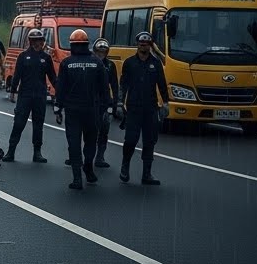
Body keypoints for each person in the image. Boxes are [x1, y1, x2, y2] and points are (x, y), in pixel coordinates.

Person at [53, 30, 110, 190]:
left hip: (73, 110)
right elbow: (105, 87)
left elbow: (61, 87)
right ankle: (88, 166)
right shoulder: (97, 63)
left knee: (74, 143)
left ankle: (77, 178)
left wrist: (58, 108)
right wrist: (108, 106)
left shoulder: (66, 63)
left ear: (72, 45)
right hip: (92, 110)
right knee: (91, 142)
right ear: (87, 45)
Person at [118, 30, 170, 185]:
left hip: (151, 108)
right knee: (131, 140)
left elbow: (161, 84)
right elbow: (123, 84)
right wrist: (120, 103)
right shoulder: (129, 63)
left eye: (146, 43)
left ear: (150, 45)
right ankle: (125, 166)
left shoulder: (156, 63)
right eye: (141, 43)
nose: (144, 46)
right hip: (133, 108)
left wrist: (166, 103)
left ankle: (146, 174)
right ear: (137, 44)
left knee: (150, 142)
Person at [3, 28, 58, 163]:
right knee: (19, 123)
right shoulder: (23, 56)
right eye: (34, 41)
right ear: (30, 42)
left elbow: (52, 77)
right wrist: (12, 91)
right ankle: (11, 151)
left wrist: (61, 91)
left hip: (40, 96)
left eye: (39, 41)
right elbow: (17, 75)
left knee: (38, 125)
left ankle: (37, 153)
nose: (37, 43)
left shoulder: (46, 58)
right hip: (25, 95)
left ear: (43, 42)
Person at [93, 38, 120, 167]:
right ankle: (86, 155)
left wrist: (116, 103)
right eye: (99, 51)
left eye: (104, 52)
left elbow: (114, 85)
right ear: (95, 51)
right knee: (90, 130)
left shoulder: (110, 65)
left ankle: (100, 157)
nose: (101, 54)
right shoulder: (90, 63)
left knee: (104, 130)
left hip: (105, 102)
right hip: (90, 101)